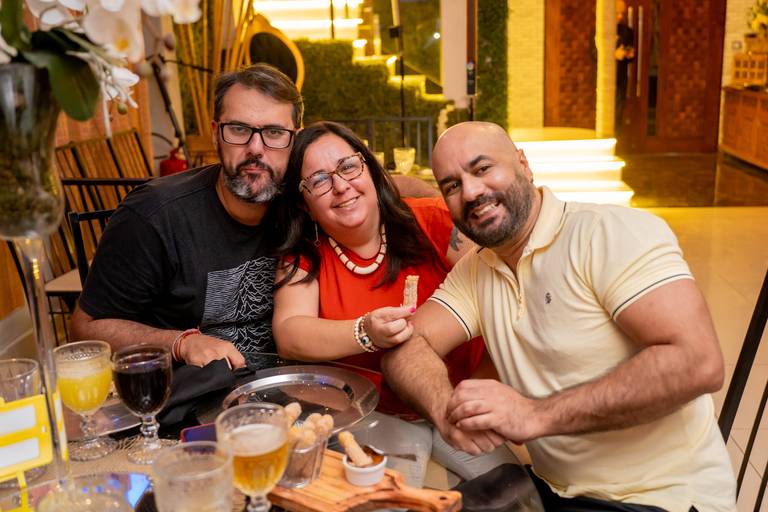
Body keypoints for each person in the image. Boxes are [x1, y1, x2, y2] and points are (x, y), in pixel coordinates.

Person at [382, 122, 737, 511]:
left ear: (523, 164)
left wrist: (535, 415)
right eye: (452, 185)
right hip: (560, 492)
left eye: (482, 169)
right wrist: (444, 409)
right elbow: (405, 346)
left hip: (662, 497)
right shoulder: (477, 269)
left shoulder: (608, 233)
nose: (471, 192)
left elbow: (698, 361)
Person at [270, 121, 519, 486]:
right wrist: (365, 332)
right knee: (389, 499)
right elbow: (290, 334)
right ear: (304, 204)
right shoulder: (305, 255)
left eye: (348, 167)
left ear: (370, 170)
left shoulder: (432, 220)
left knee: (516, 494)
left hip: (459, 397)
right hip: (377, 412)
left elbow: (502, 294)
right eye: (319, 180)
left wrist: (477, 391)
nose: (341, 186)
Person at [71, 64, 304, 369]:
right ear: (215, 134)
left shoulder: (307, 203)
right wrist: (181, 343)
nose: (256, 148)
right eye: (238, 129)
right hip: (187, 391)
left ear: (295, 140)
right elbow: (85, 328)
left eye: (274, 132)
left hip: (289, 383)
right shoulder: (155, 214)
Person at [615, 0, 635, 134]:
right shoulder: (599, 29)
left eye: (622, 13)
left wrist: (630, 54)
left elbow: (630, 55)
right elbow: (594, 53)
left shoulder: (627, 31)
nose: (620, 16)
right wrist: (613, 54)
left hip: (620, 80)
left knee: (618, 114)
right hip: (602, 82)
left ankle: (616, 139)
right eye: (617, 13)